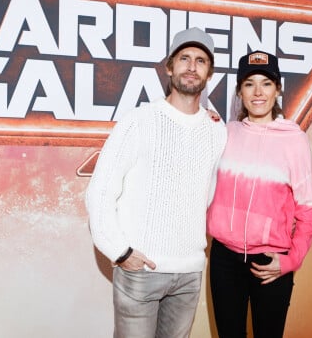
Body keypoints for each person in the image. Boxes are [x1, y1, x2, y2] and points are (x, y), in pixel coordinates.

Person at [85, 27, 226, 338]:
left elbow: (208, 195)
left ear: (209, 73)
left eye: (201, 60)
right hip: (141, 271)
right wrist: (119, 251)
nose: (192, 66)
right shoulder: (139, 121)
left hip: (189, 273)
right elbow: (101, 191)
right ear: (169, 67)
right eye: (184, 58)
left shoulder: (217, 129)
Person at [206, 50, 312, 338]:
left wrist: (292, 260)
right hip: (224, 260)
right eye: (249, 83)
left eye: (266, 83)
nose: (258, 92)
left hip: (269, 262)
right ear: (239, 91)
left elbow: (308, 211)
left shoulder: (294, 139)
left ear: (278, 89)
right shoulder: (224, 133)